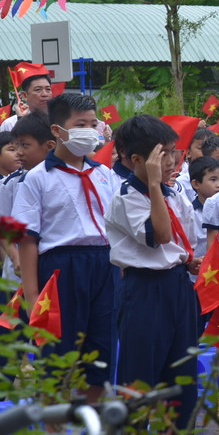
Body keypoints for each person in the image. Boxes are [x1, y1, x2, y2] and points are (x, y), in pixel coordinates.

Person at [13, 93, 117, 401]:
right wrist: (32, 295)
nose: (89, 130)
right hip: (60, 270)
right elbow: (28, 239)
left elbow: (115, 228)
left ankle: (91, 418)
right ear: (57, 131)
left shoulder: (104, 174)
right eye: (80, 124)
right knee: (57, 356)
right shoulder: (37, 179)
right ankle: (52, 424)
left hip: (103, 265)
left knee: (99, 354)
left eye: (93, 123)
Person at [104, 115, 200, 430]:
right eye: (164, 155)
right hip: (144, 289)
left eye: (175, 152)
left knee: (182, 373)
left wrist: (186, 259)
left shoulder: (173, 194)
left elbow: (177, 243)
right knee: (139, 375)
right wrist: (156, 184)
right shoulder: (127, 196)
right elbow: (159, 234)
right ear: (136, 160)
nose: (172, 161)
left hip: (176, 286)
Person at [1, 114, 56, 285]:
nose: (19, 152)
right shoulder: (11, 183)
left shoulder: (62, 177)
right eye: (16, 146)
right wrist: (16, 258)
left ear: (49, 146)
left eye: (25, 145)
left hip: (51, 268)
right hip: (17, 274)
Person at [0, 64, 53, 132]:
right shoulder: (10, 124)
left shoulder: (60, 119)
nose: (45, 94)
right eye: (38, 90)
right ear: (25, 95)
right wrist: (21, 119)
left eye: (48, 89)